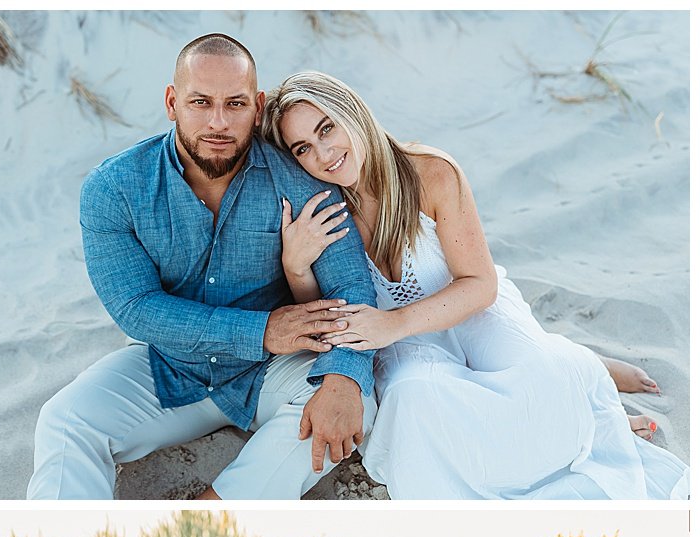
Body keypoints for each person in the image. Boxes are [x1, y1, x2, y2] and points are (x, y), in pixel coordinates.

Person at [264, 71, 689, 499]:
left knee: (547, 376)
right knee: (415, 401)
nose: (323, 154)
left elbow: (480, 285)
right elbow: (327, 314)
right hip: (406, 343)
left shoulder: (431, 172)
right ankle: (580, 404)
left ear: (351, 112)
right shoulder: (323, 204)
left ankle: (592, 402)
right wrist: (297, 268)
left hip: (469, 310)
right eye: (303, 148)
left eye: (327, 129)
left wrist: (393, 323)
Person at [29, 33, 378, 501]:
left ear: (257, 107)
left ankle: (210, 517)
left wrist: (342, 377)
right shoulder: (114, 188)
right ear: (172, 102)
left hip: (273, 370)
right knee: (65, 420)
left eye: (235, 104)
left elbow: (351, 285)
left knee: (355, 399)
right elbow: (135, 307)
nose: (218, 122)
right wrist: (260, 330)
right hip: (170, 365)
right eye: (200, 102)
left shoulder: (301, 177)